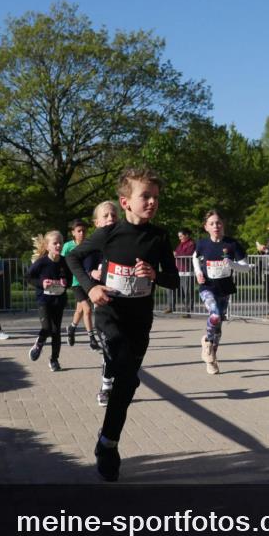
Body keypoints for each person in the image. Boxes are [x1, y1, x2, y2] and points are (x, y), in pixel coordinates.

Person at [66, 167, 180, 482]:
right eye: (145, 196)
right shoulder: (110, 233)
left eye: (156, 197)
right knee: (125, 373)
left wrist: (155, 275)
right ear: (126, 201)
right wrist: (91, 287)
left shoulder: (159, 236)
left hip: (140, 322)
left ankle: (106, 441)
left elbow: (173, 280)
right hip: (110, 318)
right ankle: (109, 446)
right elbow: (72, 258)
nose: (152, 202)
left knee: (127, 384)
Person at [193, 210, 254, 375]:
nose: (216, 226)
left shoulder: (232, 244)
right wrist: (198, 273)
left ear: (223, 224)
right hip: (207, 287)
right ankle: (207, 341)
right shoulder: (202, 244)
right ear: (206, 227)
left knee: (218, 327)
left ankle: (211, 358)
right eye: (212, 223)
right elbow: (195, 257)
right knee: (214, 315)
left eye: (218, 223)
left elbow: (246, 267)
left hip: (224, 289)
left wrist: (232, 264)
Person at [88, 200, 120, 405]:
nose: (110, 219)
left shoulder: (125, 241)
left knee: (124, 349)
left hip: (126, 302)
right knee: (110, 345)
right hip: (104, 304)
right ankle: (106, 386)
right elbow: (81, 266)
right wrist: (92, 273)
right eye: (106, 216)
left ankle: (119, 382)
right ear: (97, 222)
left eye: (114, 215)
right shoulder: (93, 246)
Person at [26, 231, 72, 372]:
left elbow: (70, 280)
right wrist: (41, 283)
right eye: (55, 243)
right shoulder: (42, 262)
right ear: (47, 246)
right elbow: (28, 277)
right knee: (47, 328)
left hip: (59, 300)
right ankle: (39, 343)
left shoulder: (65, 262)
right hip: (44, 300)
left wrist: (66, 282)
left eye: (60, 243)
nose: (58, 245)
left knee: (56, 331)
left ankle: (54, 360)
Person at [62, 219, 100, 351]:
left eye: (84, 231)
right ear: (73, 233)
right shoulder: (68, 247)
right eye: (79, 231)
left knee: (80, 310)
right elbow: (61, 263)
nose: (82, 233)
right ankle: (92, 339)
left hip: (88, 282)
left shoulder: (89, 245)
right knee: (87, 309)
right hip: (76, 283)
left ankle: (71, 328)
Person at [170, 228, 196, 315]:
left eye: (181, 236)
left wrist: (176, 254)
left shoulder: (191, 244)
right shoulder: (180, 244)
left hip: (187, 271)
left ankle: (188, 310)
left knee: (187, 291)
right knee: (176, 289)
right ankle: (172, 307)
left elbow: (189, 254)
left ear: (187, 235)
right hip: (178, 271)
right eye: (179, 236)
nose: (179, 238)